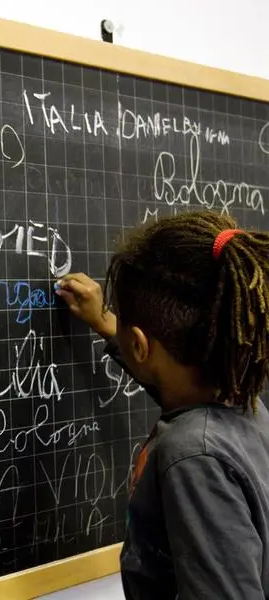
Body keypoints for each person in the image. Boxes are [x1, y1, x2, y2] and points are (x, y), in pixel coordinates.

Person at [54, 210, 269, 600]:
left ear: (140, 345)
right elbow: (170, 383)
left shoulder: (193, 458)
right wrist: (108, 324)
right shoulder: (241, 404)